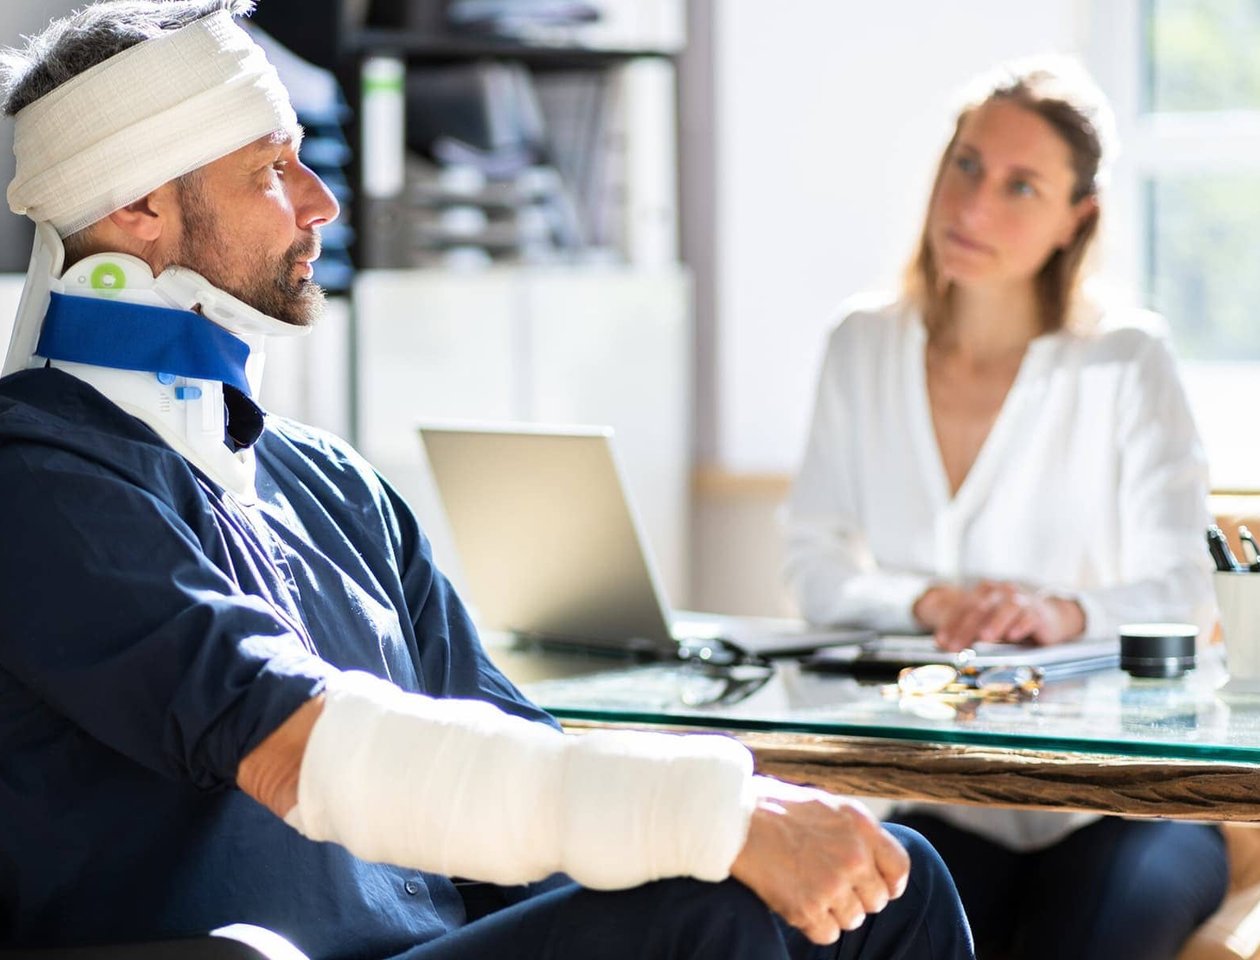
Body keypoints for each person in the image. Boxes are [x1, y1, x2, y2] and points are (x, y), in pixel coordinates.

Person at [0, 2, 976, 958]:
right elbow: (304, 749)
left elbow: (510, 764)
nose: (321, 201)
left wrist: (718, 845)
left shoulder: (336, 488)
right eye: (270, 169)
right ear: (136, 206)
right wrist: (711, 815)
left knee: (888, 877)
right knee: (726, 911)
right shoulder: (39, 486)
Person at [782, 57, 1226, 960]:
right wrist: (929, 604)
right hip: (945, 793)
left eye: (1021, 186)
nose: (973, 206)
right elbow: (813, 569)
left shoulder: (1125, 360)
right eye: (967, 164)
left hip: (1124, 802)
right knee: (853, 932)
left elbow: (1186, 588)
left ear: (1078, 219)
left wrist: (1060, 613)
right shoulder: (862, 345)